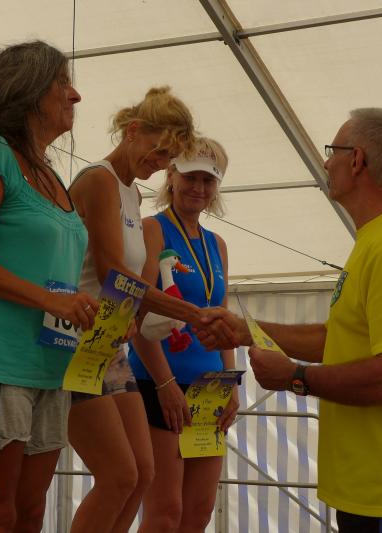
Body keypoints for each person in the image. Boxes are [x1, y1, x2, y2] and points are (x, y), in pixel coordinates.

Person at [201, 108, 382, 533]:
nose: (324, 162)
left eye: (332, 151)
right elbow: (339, 338)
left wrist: (295, 377)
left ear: (356, 160)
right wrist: (247, 330)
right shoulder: (381, 238)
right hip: (375, 486)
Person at [0, 41, 97, 533]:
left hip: (49, 365)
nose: (75, 95)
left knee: (30, 514)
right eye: (62, 83)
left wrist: (91, 315)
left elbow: (56, 273)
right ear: (30, 91)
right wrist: (51, 299)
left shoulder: (50, 172)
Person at [67, 87, 228, 533]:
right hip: (77, 341)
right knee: (123, 478)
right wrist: (189, 313)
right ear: (132, 130)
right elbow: (113, 275)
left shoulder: (131, 194)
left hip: (109, 344)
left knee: (140, 476)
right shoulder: (100, 180)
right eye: (159, 153)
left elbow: (126, 287)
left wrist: (137, 319)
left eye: (167, 157)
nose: (159, 163)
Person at [128, 137, 239, 532]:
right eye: (191, 177)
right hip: (160, 382)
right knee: (165, 512)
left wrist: (230, 383)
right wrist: (165, 383)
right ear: (171, 176)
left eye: (208, 180)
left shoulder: (217, 245)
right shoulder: (153, 230)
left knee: (199, 511)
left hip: (209, 385)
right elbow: (136, 310)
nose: (199, 188)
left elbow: (222, 318)